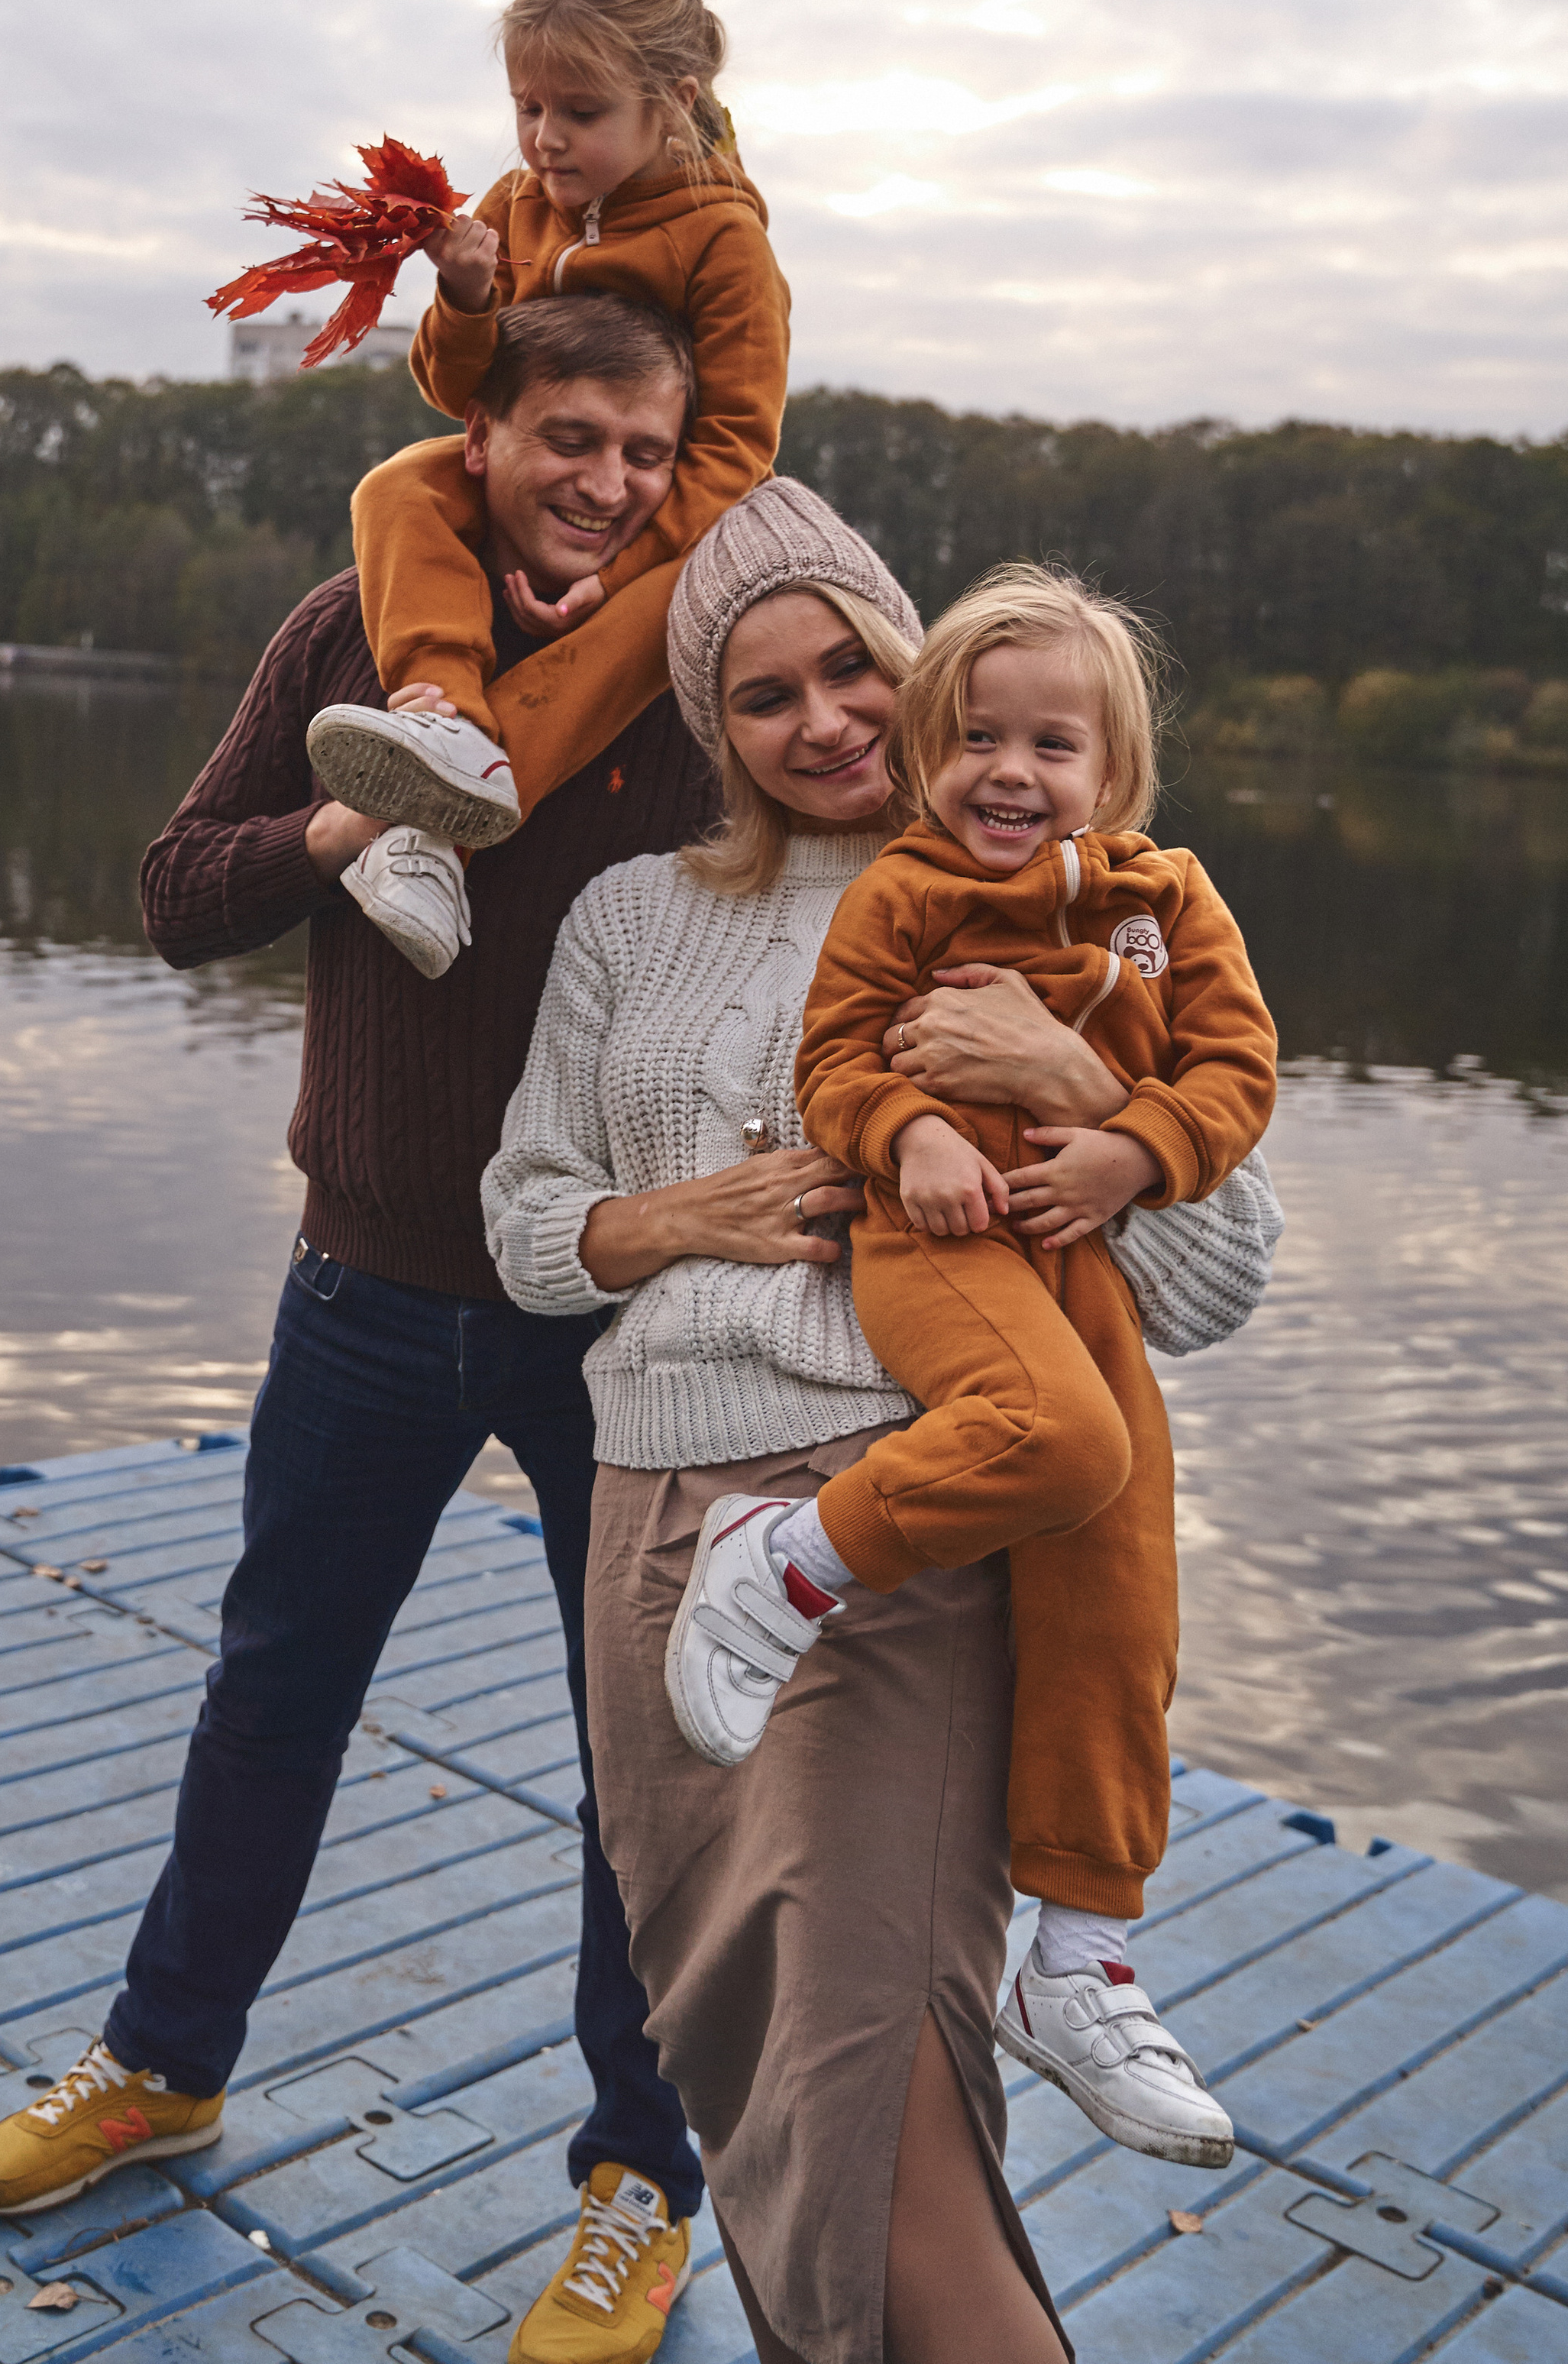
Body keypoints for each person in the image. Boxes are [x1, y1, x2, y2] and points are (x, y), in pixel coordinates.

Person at [0, 292, 716, 2364]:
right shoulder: (350, 626)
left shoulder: (704, 664)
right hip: (364, 1284)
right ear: (481, 428)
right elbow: (179, 887)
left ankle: (639, 2183)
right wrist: (350, 822)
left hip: (617, 1313)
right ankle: (163, 2058)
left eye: (647, 455)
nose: (609, 485)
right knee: (273, 1691)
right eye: (573, 437)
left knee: (640, 1762)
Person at [483, 481, 1281, 2364]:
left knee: (871, 2071)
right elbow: (527, 1230)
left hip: (894, 1514)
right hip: (656, 1505)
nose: (826, 717)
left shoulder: (1083, 890)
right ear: (717, 733)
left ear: (921, 664)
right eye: (766, 697)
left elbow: (1216, 1282)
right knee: (730, 2037)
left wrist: (1070, 1073)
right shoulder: (624, 919)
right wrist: (699, 1211)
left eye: (855, 663)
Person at [732, 561, 1275, 2172]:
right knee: (1053, 1446)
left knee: (1121, 1583)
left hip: (1082, 1245)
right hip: (947, 1229)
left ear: (1109, 776)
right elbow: (830, 1064)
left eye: (1051, 746)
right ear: (922, 749)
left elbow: (1236, 1075)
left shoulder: (1164, 904)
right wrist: (903, 1129)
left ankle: (1082, 1951)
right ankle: (794, 1558)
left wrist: (1129, 1141)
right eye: (972, 737)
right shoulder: (896, 893)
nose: (1009, 773)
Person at [304, 0, 790, 978]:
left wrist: (618, 570)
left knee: (656, 615)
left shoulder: (723, 243)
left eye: (579, 112)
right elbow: (455, 394)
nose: (545, 138)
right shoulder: (516, 202)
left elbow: (737, 449)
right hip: (528, 478)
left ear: (672, 102)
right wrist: (470, 301)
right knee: (397, 485)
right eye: (528, 107)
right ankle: (441, 716)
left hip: (662, 519)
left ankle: (442, 831)